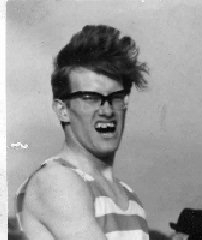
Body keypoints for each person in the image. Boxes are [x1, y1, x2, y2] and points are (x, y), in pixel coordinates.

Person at [15, 25, 150, 239]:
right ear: (62, 110)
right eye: (90, 98)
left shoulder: (130, 198)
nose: (106, 110)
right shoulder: (56, 180)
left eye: (114, 97)